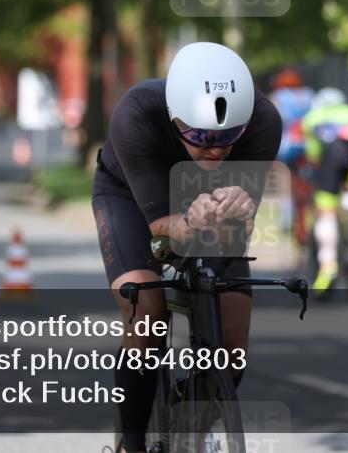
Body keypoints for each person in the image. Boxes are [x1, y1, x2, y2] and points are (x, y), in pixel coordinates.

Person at [92, 42, 281, 453]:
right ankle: (131, 445)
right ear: (174, 114)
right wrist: (191, 221)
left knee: (233, 341)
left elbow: (240, 227)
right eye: (200, 136)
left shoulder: (263, 120)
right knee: (148, 313)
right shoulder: (136, 113)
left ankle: (195, 422)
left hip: (209, 205)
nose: (215, 148)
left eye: (228, 137)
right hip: (131, 197)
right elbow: (163, 230)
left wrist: (240, 210)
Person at [301, 87, 348, 293]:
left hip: (331, 160)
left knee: (327, 213)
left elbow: (314, 154)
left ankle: (328, 264)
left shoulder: (313, 117)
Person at [268, 68, 314, 239]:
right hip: (309, 144)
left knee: (285, 179)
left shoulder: (278, 97)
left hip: (287, 145)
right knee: (310, 179)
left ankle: (286, 218)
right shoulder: (310, 95)